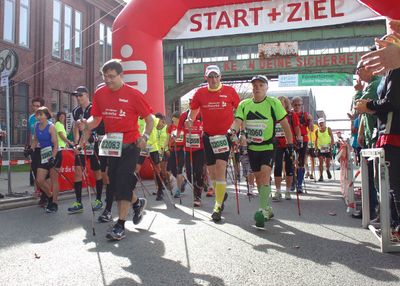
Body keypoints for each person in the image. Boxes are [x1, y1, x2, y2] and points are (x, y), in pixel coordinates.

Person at [79, 59, 153, 241]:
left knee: (123, 181)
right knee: (113, 182)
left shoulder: (133, 94)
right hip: (112, 144)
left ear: (121, 75)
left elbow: (150, 119)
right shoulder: (100, 93)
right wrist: (85, 125)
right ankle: (137, 203)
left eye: (112, 77)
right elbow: (95, 119)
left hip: (131, 145)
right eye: (105, 77)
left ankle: (120, 224)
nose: (108, 80)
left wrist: (145, 137)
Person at [230, 75, 293, 227]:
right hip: (252, 147)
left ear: (266, 88)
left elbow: (284, 124)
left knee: (265, 174)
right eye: (254, 85)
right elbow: (238, 121)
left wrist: (290, 143)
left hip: (268, 146)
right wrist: (231, 131)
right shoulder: (244, 104)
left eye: (261, 85)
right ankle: (267, 208)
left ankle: (262, 210)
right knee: (259, 179)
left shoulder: (273, 103)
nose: (257, 87)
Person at [355, 32, 400, 236]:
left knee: (394, 185)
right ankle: (392, 224)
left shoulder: (395, 71)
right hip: (385, 132)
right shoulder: (388, 74)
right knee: (391, 185)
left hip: (393, 134)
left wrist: (368, 106)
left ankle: (396, 226)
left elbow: (392, 102)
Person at [187, 65, 240, 222]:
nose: (213, 79)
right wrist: (190, 120)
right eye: (210, 77)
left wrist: (238, 129)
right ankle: (221, 193)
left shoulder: (230, 91)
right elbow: (193, 110)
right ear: (206, 78)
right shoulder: (200, 93)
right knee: (211, 172)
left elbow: (240, 109)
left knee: (220, 167)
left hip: (224, 136)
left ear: (220, 77)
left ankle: (217, 206)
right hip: (208, 136)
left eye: (216, 76)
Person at [68, 86, 104, 214]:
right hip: (82, 144)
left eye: (80, 95)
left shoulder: (94, 108)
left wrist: (82, 142)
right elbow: (76, 128)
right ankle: (78, 202)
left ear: (87, 95)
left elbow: (90, 128)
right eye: (76, 96)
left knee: (97, 171)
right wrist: (76, 143)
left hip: (95, 143)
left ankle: (99, 200)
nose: (78, 98)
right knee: (78, 171)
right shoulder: (76, 111)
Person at [354, 59, 381, 220]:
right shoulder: (372, 84)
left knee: (378, 179)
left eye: (358, 69)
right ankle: (372, 210)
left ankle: (379, 212)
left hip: (379, 137)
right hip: (372, 137)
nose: (357, 74)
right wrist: (362, 132)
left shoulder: (375, 84)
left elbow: (359, 106)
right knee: (372, 177)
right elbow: (363, 112)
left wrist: (358, 92)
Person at [31, 107, 61, 213]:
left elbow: (56, 144)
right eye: (37, 114)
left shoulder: (51, 126)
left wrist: (53, 157)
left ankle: (55, 203)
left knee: (53, 180)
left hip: (54, 152)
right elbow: (35, 140)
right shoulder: (36, 126)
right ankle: (50, 197)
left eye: (40, 114)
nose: (38, 116)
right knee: (39, 180)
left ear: (46, 115)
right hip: (44, 153)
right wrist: (31, 148)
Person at [273, 96, 301, 201]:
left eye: (282, 103)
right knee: (278, 166)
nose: (280, 104)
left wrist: (298, 139)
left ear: (286, 104)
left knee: (289, 167)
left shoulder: (291, 115)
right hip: (277, 144)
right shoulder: (273, 115)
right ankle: (278, 191)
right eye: (278, 103)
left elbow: (297, 129)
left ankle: (288, 191)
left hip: (289, 143)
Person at [178, 108, 205, 207]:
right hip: (188, 150)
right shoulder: (184, 115)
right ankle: (196, 187)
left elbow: (207, 128)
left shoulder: (202, 114)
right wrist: (176, 136)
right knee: (189, 174)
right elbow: (179, 130)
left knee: (198, 172)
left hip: (200, 149)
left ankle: (197, 195)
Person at [27, 97, 47, 206]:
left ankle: (45, 196)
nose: (35, 108)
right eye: (33, 106)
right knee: (35, 170)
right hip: (35, 147)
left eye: (37, 106)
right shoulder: (31, 118)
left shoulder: (46, 118)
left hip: (45, 148)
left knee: (43, 173)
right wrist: (30, 146)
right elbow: (32, 134)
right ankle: (41, 191)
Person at [291, 96, 313, 193]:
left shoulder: (305, 115)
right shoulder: (290, 114)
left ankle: (299, 184)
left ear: (302, 105)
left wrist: (311, 120)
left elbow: (311, 129)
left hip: (303, 140)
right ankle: (292, 181)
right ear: (292, 105)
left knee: (301, 162)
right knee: (291, 161)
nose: (297, 107)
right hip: (292, 140)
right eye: (295, 105)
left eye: (299, 105)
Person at [166, 111, 185, 198]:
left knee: (179, 170)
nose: (174, 122)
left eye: (176, 120)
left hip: (181, 150)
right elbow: (167, 138)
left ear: (179, 119)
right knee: (170, 170)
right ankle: (182, 181)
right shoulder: (171, 127)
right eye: (173, 121)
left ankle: (178, 190)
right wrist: (165, 147)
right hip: (173, 151)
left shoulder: (184, 127)